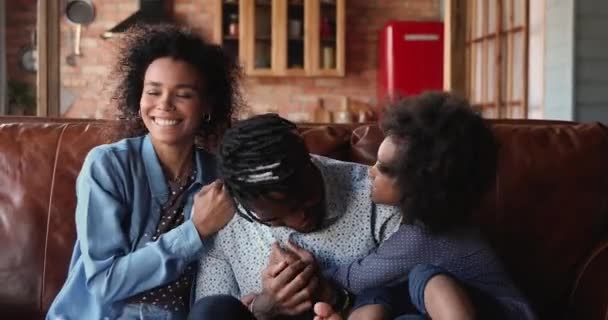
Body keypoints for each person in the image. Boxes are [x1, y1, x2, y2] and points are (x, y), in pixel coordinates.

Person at [46, 24, 242, 319]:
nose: (164, 104)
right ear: (138, 99)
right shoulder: (107, 166)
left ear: (207, 106)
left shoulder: (220, 177)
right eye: (153, 91)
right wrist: (195, 231)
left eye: (183, 94)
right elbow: (105, 282)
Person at [312, 92, 536, 320]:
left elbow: (356, 278)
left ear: (422, 183)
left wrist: (310, 271)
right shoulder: (445, 223)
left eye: (385, 169)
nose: (371, 172)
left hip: (503, 313)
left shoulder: (424, 237)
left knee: (423, 276)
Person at [190, 114, 402, 319]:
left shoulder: (376, 195)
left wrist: (332, 296)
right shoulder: (220, 217)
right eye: (274, 219)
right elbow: (211, 308)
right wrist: (262, 309)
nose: (299, 220)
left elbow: (411, 299)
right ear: (243, 204)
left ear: (309, 161)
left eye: (309, 199)